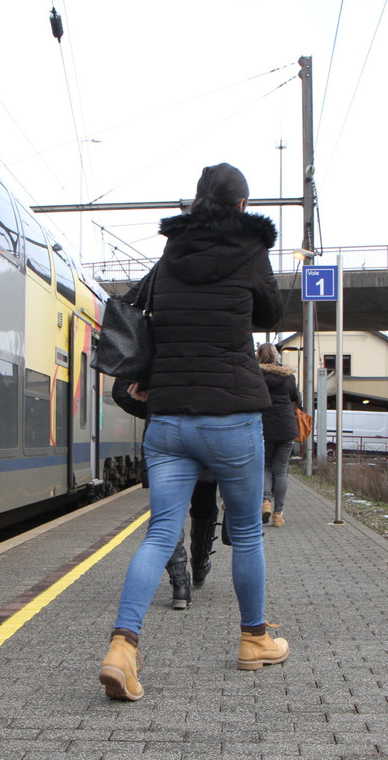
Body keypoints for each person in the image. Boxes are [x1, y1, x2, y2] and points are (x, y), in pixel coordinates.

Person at [99, 163, 289, 701]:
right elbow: (271, 311)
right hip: (231, 418)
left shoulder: (169, 255)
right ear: (240, 207)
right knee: (248, 533)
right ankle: (254, 640)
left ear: (197, 202)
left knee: (160, 532)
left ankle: (123, 648)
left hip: (170, 419)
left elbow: (137, 309)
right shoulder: (251, 251)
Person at [111, 378, 222, 609]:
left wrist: (154, 406)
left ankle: (180, 586)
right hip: (206, 433)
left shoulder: (154, 342)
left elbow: (122, 392)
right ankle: (200, 566)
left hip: (164, 434)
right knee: (205, 506)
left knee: (167, 516)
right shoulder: (215, 342)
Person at [257, 343, 300, 528]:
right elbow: (296, 399)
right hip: (286, 426)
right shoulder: (288, 376)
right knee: (281, 470)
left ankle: (265, 502)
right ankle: (278, 515)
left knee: (266, 466)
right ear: (277, 355)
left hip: (264, 426)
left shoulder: (257, 376)